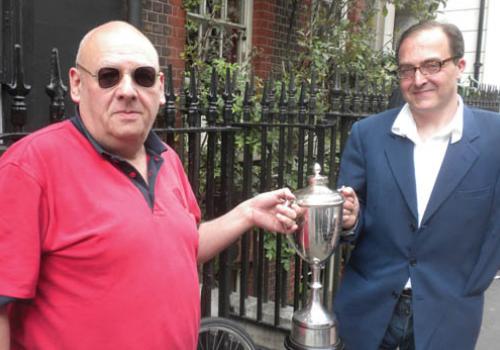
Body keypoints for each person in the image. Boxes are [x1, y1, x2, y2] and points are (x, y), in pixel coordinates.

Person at [0, 21, 305, 349]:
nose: (127, 90)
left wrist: (247, 213)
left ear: (159, 89)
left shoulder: (167, 160)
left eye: (142, 77)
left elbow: (183, 244)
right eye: (109, 76)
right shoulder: (30, 167)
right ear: (76, 85)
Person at [334, 20, 500, 350]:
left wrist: (473, 281)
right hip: (368, 312)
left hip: (449, 315)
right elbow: (352, 216)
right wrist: (350, 219)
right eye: (407, 70)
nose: (418, 79)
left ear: (460, 66)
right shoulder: (367, 134)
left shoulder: (494, 138)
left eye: (432, 65)